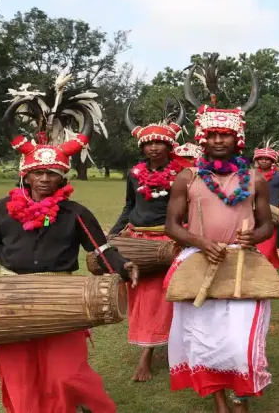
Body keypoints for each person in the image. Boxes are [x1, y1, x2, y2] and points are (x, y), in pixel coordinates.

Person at [0, 83, 136, 413]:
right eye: (38, 172)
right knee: (19, 373)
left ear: (62, 178)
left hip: (62, 298)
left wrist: (124, 269)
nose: (44, 179)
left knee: (68, 374)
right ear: (26, 174)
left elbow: (102, 248)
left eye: (52, 173)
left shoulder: (75, 213)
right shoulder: (2, 209)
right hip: (10, 297)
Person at [164, 64, 273, 413]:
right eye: (212, 135)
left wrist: (251, 238)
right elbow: (172, 226)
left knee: (239, 339)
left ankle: (240, 394)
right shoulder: (187, 177)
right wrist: (199, 242)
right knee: (204, 339)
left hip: (243, 264)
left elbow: (267, 225)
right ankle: (220, 399)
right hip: (199, 261)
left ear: (236, 137)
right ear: (203, 139)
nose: (218, 140)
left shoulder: (255, 178)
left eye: (225, 135)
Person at [108, 98, 190, 382]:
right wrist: (113, 234)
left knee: (166, 297)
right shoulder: (133, 173)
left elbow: (189, 209)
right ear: (142, 147)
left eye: (159, 143)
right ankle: (148, 350)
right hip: (137, 241)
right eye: (148, 143)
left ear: (169, 146)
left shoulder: (183, 174)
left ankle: (160, 351)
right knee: (141, 296)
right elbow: (129, 206)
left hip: (170, 241)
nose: (153, 147)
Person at [253, 140, 279, 269]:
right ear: (257, 160)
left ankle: (263, 267)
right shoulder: (249, 174)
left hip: (272, 214)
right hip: (252, 212)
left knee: (268, 242)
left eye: (267, 159)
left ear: (272, 161)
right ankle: (271, 263)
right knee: (256, 241)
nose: (263, 161)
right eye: (261, 159)